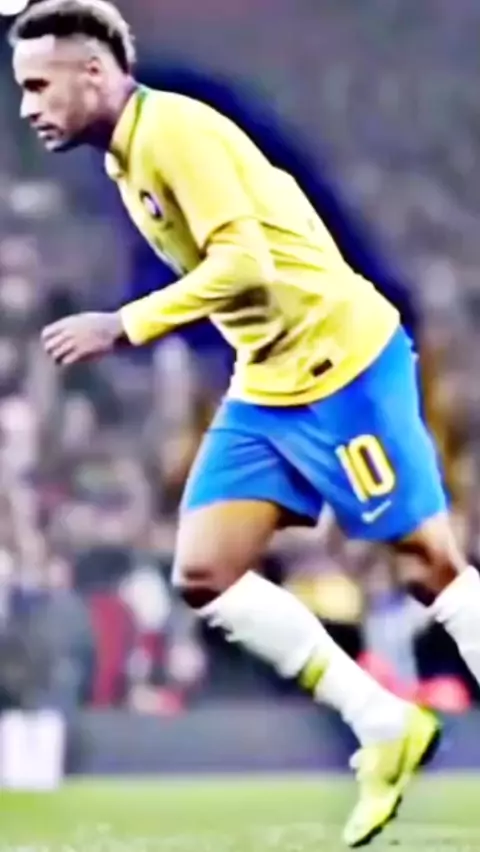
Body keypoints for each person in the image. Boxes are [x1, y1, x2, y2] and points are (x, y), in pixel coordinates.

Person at [9, 0, 480, 844]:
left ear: (95, 73)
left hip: (342, 362)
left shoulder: (174, 134)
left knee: (428, 565)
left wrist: (127, 323)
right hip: (269, 377)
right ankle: (382, 721)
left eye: (40, 86)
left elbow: (245, 265)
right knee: (205, 570)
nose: (27, 107)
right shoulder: (125, 160)